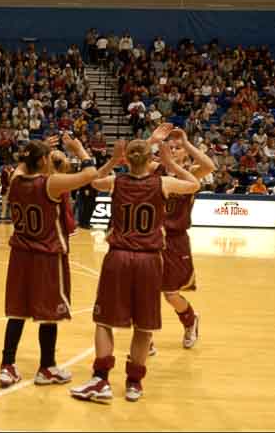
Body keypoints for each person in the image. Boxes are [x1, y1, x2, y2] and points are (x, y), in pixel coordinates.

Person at [72, 127, 203, 403]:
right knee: (143, 326)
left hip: (118, 257)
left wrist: (112, 161)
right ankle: (134, 383)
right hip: (149, 260)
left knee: (104, 321)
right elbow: (194, 184)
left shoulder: (116, 182)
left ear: (127, 160)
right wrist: (169, 164)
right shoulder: (163, 183)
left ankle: (101, 380)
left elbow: (93, 181)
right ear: (151, 161)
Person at [0, 135, 105, 389]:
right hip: (46, 256)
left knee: (17, 312)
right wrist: (79, 149)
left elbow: (23, 165)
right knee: (48, 314)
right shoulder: (51, 184)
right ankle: (47, 367)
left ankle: (7, 365)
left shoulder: (16, 180)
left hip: (20, 255)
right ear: (44, 160)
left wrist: (38, 148)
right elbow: (90, 173)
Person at [156, 130, 216, 352]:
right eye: (170, 147)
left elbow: (210, 166)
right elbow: (132, 156)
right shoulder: (155, 170)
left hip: (176, 239)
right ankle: (146, 335)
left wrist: (187, 143)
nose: (173, 150)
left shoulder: (191, 173)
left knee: (171, 294)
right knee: (147, 289)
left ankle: (190, 322)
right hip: (152, 238)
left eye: (177, 148)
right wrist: (153, 143)